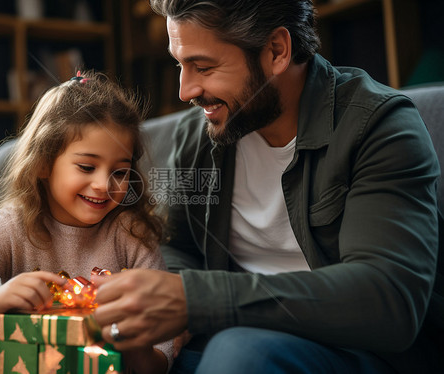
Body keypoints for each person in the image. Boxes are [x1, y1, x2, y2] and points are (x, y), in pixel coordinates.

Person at [92, 1, 444, 373]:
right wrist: (168, 313)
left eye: (204, 67)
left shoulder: (378, 127)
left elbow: (387, 300)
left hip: (360, 353)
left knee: (240, 353)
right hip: (231, 338)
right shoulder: (196, 138)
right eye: (180, 64)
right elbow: (180, 248)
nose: (185, 90)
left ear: (277, 51)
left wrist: (196, 301)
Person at [0, 71, 173, 374]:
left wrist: (132, 342)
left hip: (100, 366)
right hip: (22, 365)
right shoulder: (16, 227)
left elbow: (162, 355)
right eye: (87, 167)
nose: (103, 184)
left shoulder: (131, 234)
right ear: (44, 164)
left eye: (120, 172)